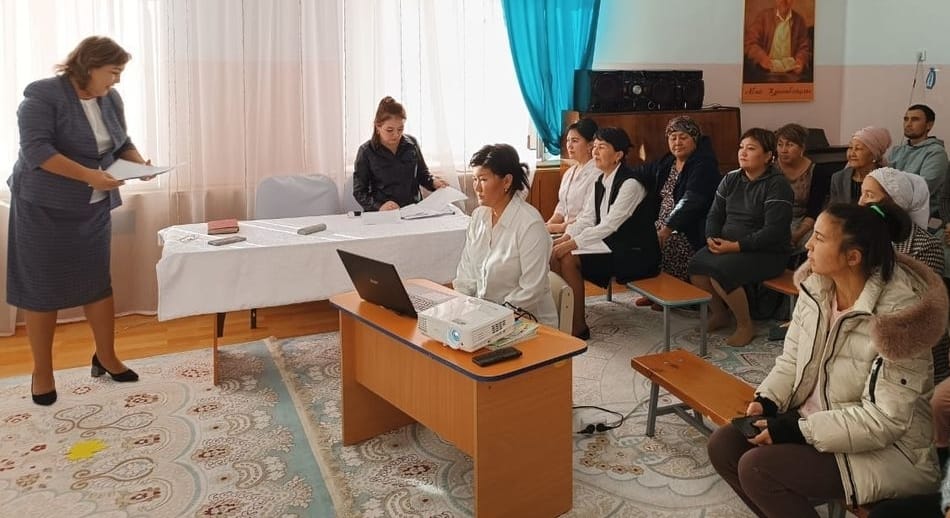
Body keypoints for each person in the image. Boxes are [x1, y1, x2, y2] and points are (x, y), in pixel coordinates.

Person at [707, 202, 947, 518]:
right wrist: (767, 400)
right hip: (822, 423)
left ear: (852, 257)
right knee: (723, 446)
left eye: (819, 238)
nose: (807, 244)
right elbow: (792, 359)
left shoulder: (898, 320)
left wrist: (797, 430)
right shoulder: (818, 288)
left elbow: (884, 421)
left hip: (889, 451)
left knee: (758, 469)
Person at [7, 36, 146, 406]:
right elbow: (37, 151)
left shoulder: (110, 99)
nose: (117, 80)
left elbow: (121, 143)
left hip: (92, 206)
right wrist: (89, 176)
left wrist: (141, 164)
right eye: (113, 72)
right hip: (43, 206)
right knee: (41, 288)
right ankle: (42, 372)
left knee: (97, 282)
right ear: (89, 66)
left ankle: (106, 357)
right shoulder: (42, 96)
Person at [551, 127, 660, 339]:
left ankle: (578, 326)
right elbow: (587, 219)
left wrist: (571, 244)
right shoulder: (600, 180)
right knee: (556, 254)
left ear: (618, 155)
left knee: (568, 258)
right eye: (595, 147)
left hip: (635, 253)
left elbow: (609, 225)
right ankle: (564, 317)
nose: (595, 152)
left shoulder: (630, 184)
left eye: (602, 147)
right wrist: (565, 238)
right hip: (611, 246)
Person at [688, 128, 793, 346]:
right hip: (729, 246)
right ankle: (720, 314)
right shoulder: (731, 178)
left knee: (722, 272)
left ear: (768, 156)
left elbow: (773, 231)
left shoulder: (777, 185)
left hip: (768, 251)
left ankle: (745, 325)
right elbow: (715, 214)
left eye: (751, 148)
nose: (743, 153)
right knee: (696, 266)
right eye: (741, 147)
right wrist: (711, 237)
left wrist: (736, 246)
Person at [858, 167, 948, 384]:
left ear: (894, 203)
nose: (861, 202)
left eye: (869, 195)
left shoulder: (925, 246)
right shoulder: (860, 237)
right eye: (861, 193)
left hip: (910, 347)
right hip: (865, 337)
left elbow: (918, 309)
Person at [454, 144, 558, 328]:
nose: (476, 187)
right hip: (486, 317)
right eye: (474, 179)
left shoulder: (530, 224)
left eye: (483, 179)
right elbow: (466, 272)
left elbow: (531, 289)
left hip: (528, 321)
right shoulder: (478, 216)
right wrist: (461, 309)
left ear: (507, 181)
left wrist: (492, 318)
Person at [353, 96, 448, 212]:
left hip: (414, 211)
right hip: (383, 214)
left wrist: (433, 182)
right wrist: (379, 206)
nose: (396, 135)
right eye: (390, 130)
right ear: (378, 127)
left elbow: (422, 174)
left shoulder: (412, 144)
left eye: (400, 129)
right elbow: (359, 192)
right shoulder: (366, 151)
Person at [775, 123, 830, 252]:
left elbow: (814, 210)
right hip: (774, 220)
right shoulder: (770, 169)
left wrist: (796, 235)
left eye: (790, 145)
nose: (783, 150)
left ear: (802, 147)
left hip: (804, 223)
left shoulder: (817, 172)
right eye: (780, 144)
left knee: (815, 242)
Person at [888, 104, 949, 217]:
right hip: (895, 211)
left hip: (924, 217)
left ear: (929, 125)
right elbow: (883, 182)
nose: (908, 124)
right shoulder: (897, 150)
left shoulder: (936, 153)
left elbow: (922, 189)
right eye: (906, 119)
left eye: (915, 119)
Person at [546, 118, 600, 234]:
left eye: (575, 141)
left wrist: (557, 228)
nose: (569, 145)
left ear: (590, 145)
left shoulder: (597, 173)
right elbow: (562, 206)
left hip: (583, 233)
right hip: (564, 231)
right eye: (568, 140)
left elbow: (587, 216)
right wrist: (548, 224)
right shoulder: (569, 173)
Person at [743, 0, 812, 81]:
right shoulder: (763, 17)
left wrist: (800, 60)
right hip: (765, 73)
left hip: (791, 74)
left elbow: (805, 48)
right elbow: (749, 42)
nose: (784, 1)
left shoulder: (799, 21)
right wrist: (761, 58)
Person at [829, 126, 892, 205]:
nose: (852, 153)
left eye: (858, 148)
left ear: (874, 154)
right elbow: (833, 209)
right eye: (850, 147)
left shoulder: (888, 180)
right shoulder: (838, 178)